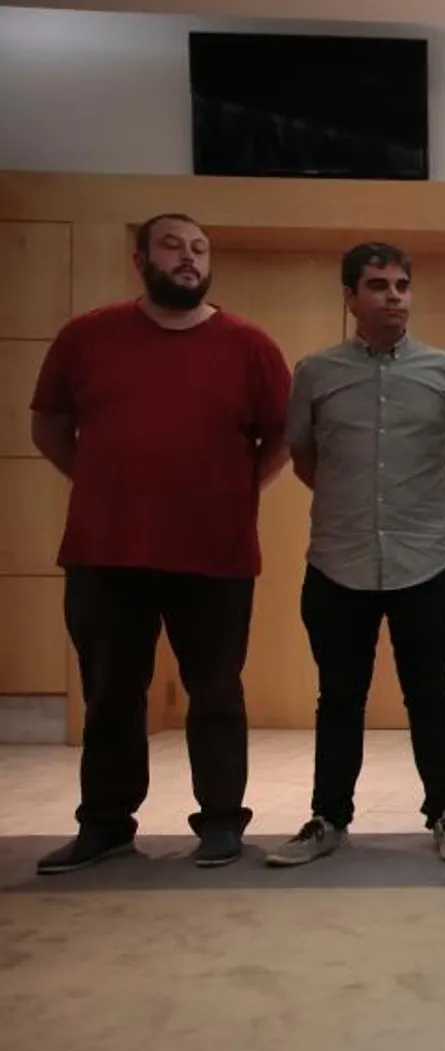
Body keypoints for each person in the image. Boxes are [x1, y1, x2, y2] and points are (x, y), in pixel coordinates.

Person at [30, 212, 290, 874]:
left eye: (200, 248)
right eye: (172, 245)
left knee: (216, 690)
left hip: (215, 551)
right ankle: (107, 824)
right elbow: (50, 425)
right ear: (141, 258)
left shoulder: (249, 345)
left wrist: (237, 492)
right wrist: (98, 480)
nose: (188, 258)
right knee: (111, 693)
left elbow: (282, 437)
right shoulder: (86, 336)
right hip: (106, 548)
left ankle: (223, 823)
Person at [266, 243, 445, 868]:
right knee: (339, 695)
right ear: (350, 297)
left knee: (430, 693)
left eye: (403, 285)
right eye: (379, 285)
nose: (395, 296)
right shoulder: (315, 372)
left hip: (425, 559)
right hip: (339, 559)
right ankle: (328, 817)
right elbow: (305, 459)